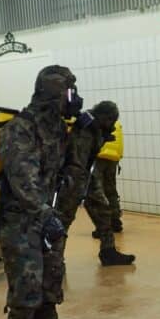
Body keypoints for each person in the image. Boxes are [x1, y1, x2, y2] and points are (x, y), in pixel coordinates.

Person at [0, 65, 84, 319]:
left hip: (46, 219)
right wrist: (45, 214)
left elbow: (70, 172)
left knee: (50, 281)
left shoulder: (58, 129)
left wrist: (89, 135)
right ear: (52, 94)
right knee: (26, 287)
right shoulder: (20, 129)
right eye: (69, 93)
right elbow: (23, 180)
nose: (74, 100)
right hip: (20, 222)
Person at [61, 100, 135, 266]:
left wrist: (102, 137)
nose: (112, 125)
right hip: (72, 179)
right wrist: (77, 191)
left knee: (103, 210)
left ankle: (108, 252)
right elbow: (77, 161)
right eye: (111, 120)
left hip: (86, 176)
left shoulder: (95, 126)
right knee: (64, 218)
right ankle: (54, 258)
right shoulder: (85, 129)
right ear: (103, 117)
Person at [89, 110, 124, 237]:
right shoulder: (116, 123)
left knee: (98, 192)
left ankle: (103, 227)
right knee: (111, 190)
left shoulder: (98, 123)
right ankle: (116, 222)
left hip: (99, 158)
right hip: (113, 160)